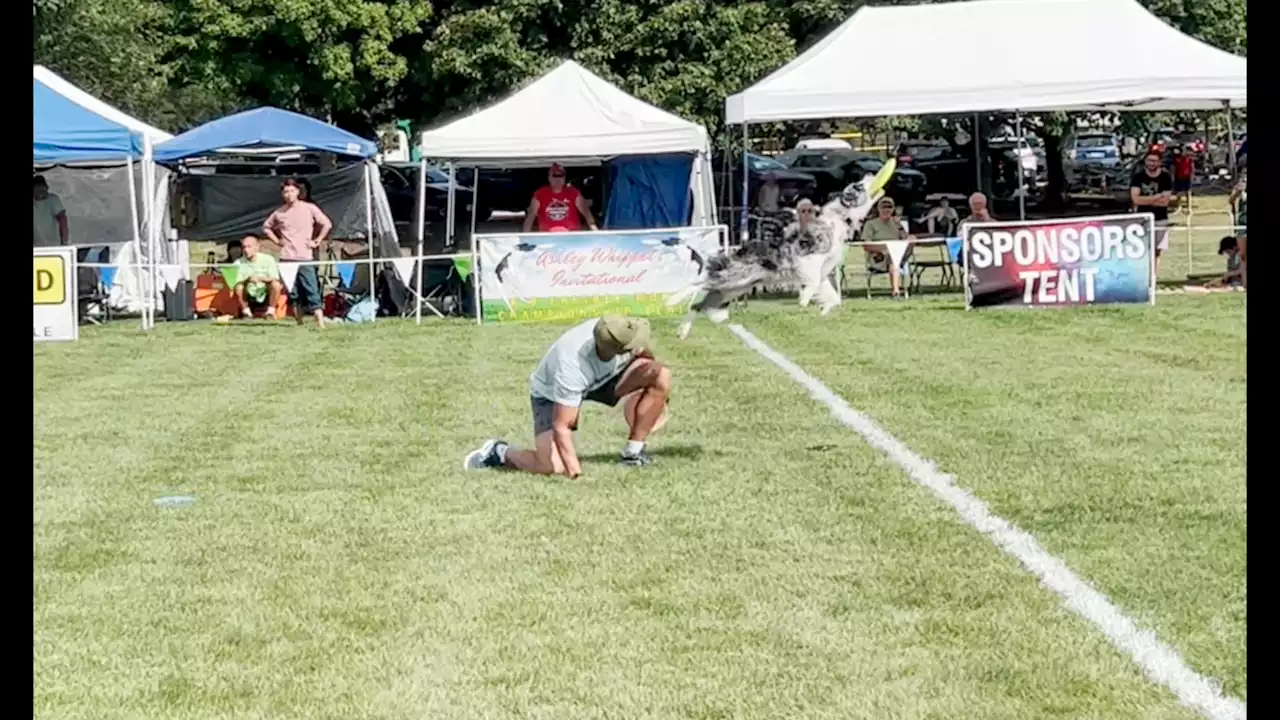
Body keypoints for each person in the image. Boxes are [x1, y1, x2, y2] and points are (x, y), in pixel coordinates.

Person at [464, 315, 671, 476]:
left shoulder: (621, 329)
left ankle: (633, 453)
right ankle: (498, 452)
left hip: (607, 378)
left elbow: (644, 355)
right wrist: (575, 473)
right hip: (552, 394)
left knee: (661, 375)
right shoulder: (571, 365)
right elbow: (562, 426)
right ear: (615, 349)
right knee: (552, 466)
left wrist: (657, 396)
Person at [263, 178, 332, 328]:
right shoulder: (279, 213)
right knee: (293, 293)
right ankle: (298, 321)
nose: (289, 194)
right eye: (286, 191)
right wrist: (277, 241)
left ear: (298, 192)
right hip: (286, 258)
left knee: (311, 289)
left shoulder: (310, 208)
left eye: (292, 191)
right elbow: (266, 227)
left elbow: (326, 224)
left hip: (305, 257)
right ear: (282, 194)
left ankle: (320, 323)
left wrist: (317, 240)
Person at [859, 197, 911, 298]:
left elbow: (906, 239)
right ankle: (896, 290)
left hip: (897, 255)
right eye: (883, 207)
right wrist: (886, 248)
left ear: (893, 209)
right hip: (879, 257)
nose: (886, 210)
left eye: (889, 207)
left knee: (912, 239)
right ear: (878, 209)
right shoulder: (870, 224)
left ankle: (896, 290)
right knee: (893, 257)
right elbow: (866, 245)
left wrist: (899, 225)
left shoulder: (896, 223)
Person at [522, 163, 598, 233]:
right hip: (547, 235)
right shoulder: (540, 194)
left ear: (565, 178)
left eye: (561, 176)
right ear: (549, 177)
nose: (558, 179)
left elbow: (587, 214)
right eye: (555, 176)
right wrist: (525, 235)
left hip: (570, 235)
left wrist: (595, 232)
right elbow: (531, 216)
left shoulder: (574, 193)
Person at [1129, 151, 1173, 270]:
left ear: (1159, 162)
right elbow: (1135, 199)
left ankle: (1153, 276)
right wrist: (1156, 197)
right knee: (1142, 250)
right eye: (1149, 160)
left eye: (1154, 161)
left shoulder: (1165, 177)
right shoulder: (1138, 176)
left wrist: (1144, 199)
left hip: (1160, 218)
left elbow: (1165, 202)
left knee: (1157, 250)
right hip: (1142, 219)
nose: (1151, 163)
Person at [231, 235, 285, 319]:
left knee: (276, 285)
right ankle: (246, 313)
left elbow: (275, 277)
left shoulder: (268, 259)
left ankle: (270, 312)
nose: (246, 250)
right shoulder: (237, 263)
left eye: (249, 247)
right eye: (244, 247)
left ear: (257, 247)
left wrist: (261, 279)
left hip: (265, 290)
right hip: (248, 291)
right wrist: (248, 279)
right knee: (239, 287)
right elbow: (234, 282)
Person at [33, 175, 68, 247]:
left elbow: (62, 219)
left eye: (44, 189)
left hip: (52, 245)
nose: (43, 192)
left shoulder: (53, 199)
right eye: (39, 189)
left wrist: (64, 241)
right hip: (36, 245)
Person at [1228, 171, 1246, 288]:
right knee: (1243, 255)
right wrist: (1238, 192)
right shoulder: (1240, 186)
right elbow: (1231, 200)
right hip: (1242, 224)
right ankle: (1243, 282)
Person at [1171, 146, 1194, 213]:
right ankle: (1179, 207)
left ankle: (1189, 208)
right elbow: (1173, 168)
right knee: (1178, 194)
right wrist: (1172, 177)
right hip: (1178, 177)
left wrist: (1192, 176)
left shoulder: (1189, 158)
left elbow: (1192, 168)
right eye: (1183, 150)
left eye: (1185, 150)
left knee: (1188, 193)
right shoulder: (1176, 158)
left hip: (1187, 177)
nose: (1185, 152)